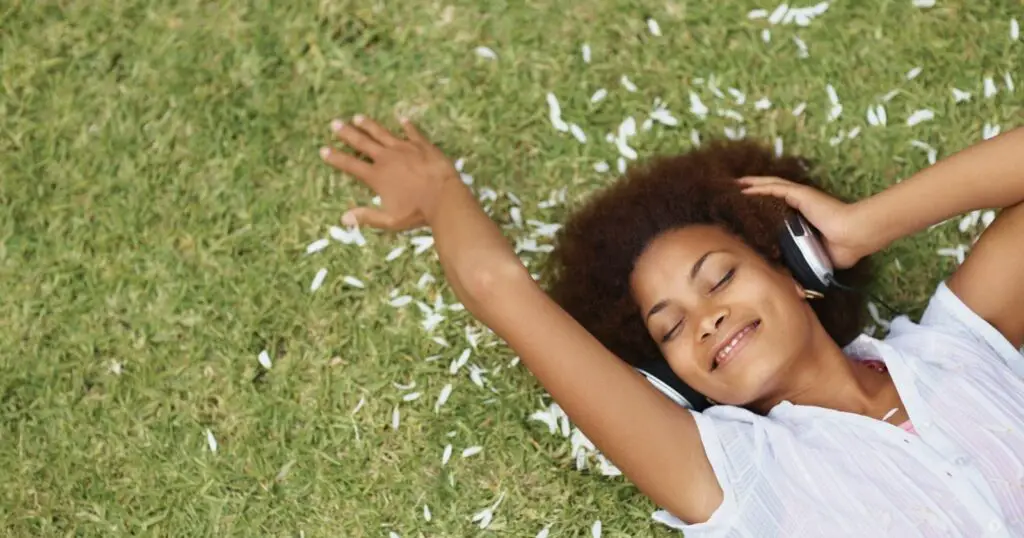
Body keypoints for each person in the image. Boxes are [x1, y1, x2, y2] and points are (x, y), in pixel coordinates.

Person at [318, 115, 1024, 537]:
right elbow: (503, 293)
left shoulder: (959, 348)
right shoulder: (733, 476)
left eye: (720, 277)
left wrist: (860, 227)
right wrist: (440, 195)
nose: (708, 319)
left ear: (792, 271)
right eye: (671, 328)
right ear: (672, 377)